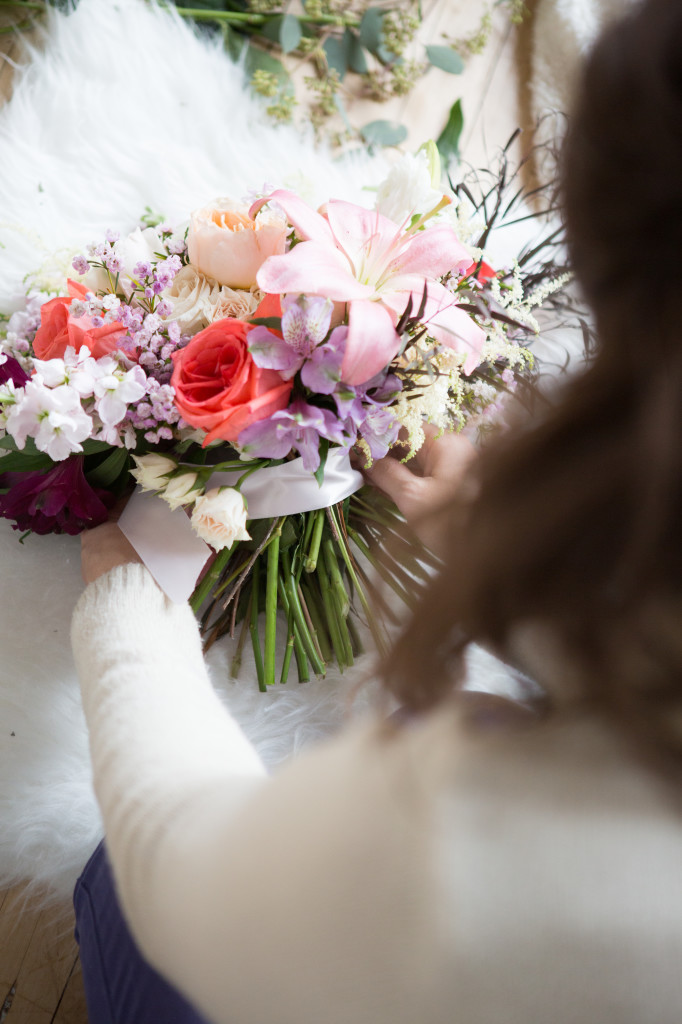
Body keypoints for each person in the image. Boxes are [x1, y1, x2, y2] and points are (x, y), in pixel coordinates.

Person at [71, 1, 682, 1020]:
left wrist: (126, 627)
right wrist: (502, 551)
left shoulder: (477, 867)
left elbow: (178, 858)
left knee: (110, 887)